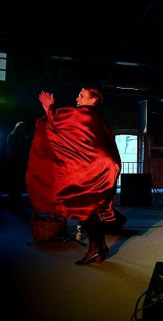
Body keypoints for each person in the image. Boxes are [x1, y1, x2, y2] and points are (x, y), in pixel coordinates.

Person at [26, 88, 121, 265]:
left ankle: (95, 248)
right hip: (100, 166)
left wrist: (50, 107)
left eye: (81, 95)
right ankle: (99, 247)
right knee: (93, 208)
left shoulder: (86, 114)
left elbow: (58, 121)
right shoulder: (95, 116)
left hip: (98, 168)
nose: (77, 98)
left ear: (93, 100)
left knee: (88, 207)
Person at [6, 121, 31, 212]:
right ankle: (12, 203)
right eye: (22, 127)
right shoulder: (12, 136)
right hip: (14, 162)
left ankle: (17, 203)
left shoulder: (25, 138)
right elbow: (15, 149)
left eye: (24, 128)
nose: (23, 129)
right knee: (13, 184)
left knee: (19, 183)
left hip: (21, 163)